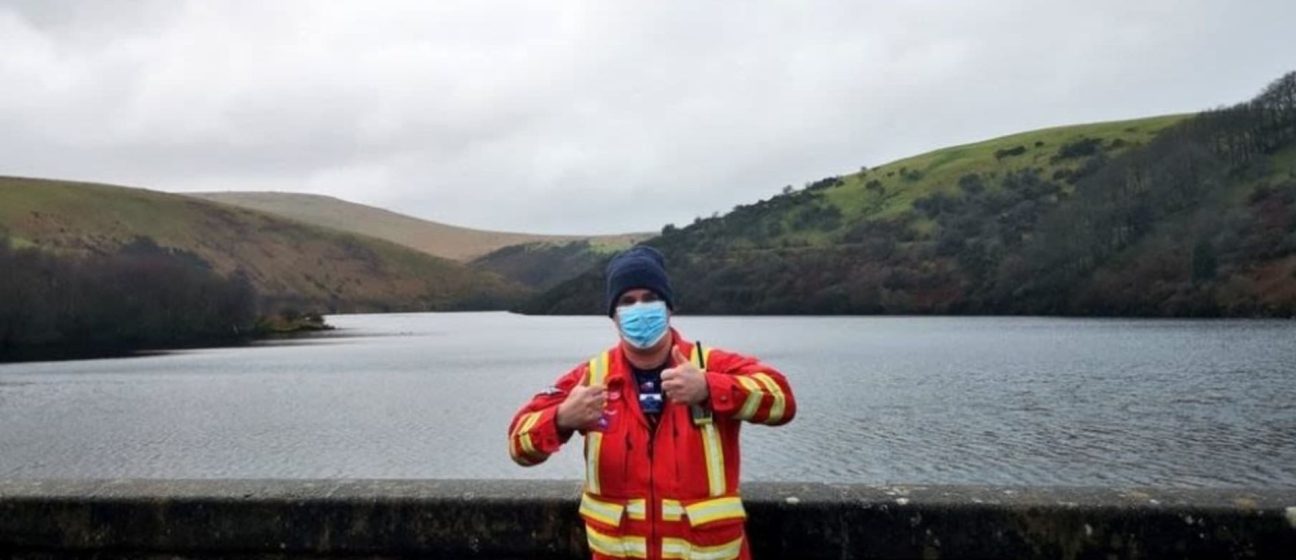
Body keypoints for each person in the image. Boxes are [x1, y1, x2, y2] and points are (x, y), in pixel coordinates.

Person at [507, 245, 796, 560]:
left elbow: (782, 400)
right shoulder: (590, 378)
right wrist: (561, 418)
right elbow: (519, 445)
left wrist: (709, 388)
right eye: (627, 301)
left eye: (650, 298)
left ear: (669, 307)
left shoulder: (710, 363)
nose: (639, 308)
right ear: (614, 316)